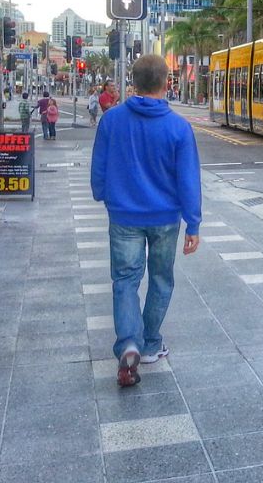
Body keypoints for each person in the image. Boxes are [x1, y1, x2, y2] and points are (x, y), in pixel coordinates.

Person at [91, 54, 201, 388]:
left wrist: (103, 194)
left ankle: (128, 343)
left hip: (124, 215)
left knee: (125, 280)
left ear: (133, 83)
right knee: (161, 279)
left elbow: (99, 169)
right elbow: (188, 179)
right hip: (166, 218)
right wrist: (193, 223)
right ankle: (151, 342)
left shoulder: (111, 121)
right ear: (166, 83)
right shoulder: (179, 128)